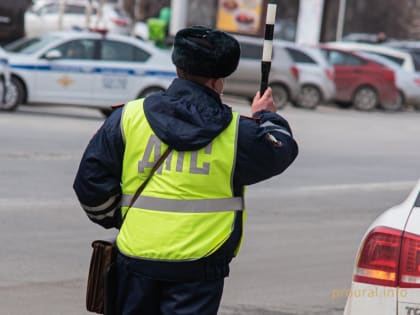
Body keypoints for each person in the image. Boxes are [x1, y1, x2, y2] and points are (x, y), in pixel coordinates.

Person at [74, 25, 298, 315]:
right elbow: (281, 148)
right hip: (200, 267)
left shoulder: (128, 117)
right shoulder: (236, 132)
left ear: (178, 67)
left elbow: (89, 184)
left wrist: (121, 218)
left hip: (135, 259)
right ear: (219, 81)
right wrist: (265, 115)